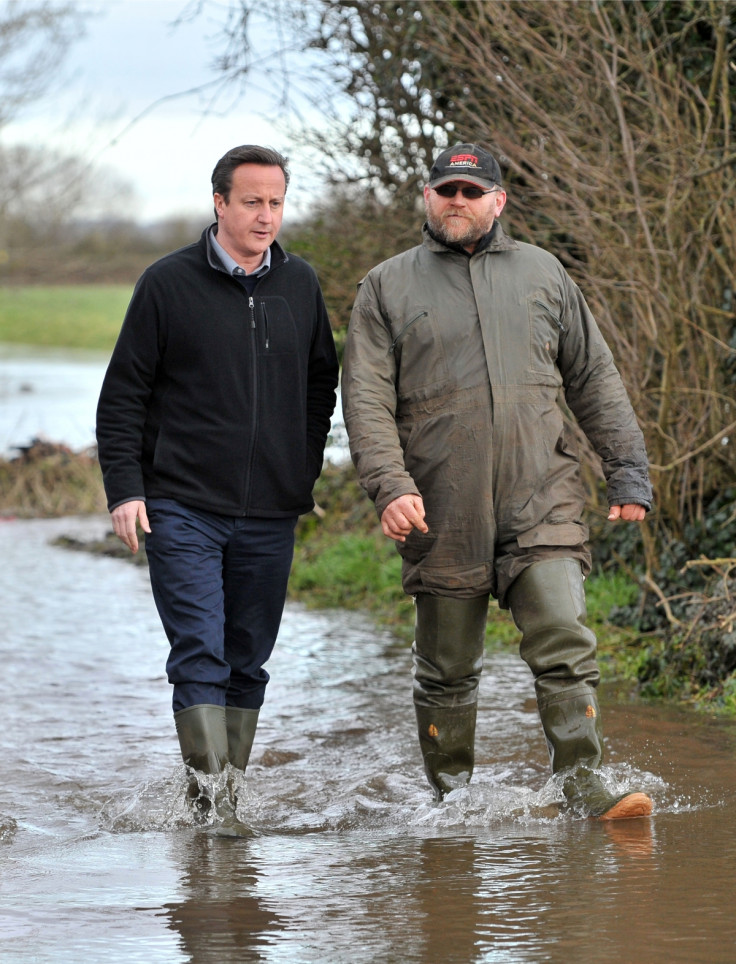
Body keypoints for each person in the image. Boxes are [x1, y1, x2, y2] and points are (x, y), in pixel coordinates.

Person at [341, 142, 653, 820]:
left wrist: (627, 471)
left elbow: (594, 377)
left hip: (543, 494)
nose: (458, 201)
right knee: (448, 670)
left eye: (471, 192)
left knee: (565, 639)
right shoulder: (386, 287)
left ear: (498, 200)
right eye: (446, 190)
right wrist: (391, 486)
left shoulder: (544, 273)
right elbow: (364, 399)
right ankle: (451, 800)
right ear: (427, 197)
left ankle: (583, 783)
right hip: (439, 506)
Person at [96, 145, 339, 818]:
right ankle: (216, 807)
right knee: (200, 648)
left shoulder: (301, 284)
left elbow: (323, 383)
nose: (267, 217)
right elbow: (123, 397)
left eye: (277, 203)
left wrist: (302, 463)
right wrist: (126, 490)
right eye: (253, 202)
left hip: (271, 509)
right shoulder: (167, 284)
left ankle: (220, 792)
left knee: (247, 659)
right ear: (220, 203)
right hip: (181, 504)